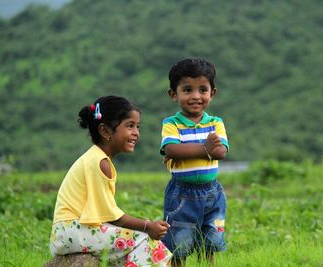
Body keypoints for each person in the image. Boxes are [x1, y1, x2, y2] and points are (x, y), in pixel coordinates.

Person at [50, 95, 172, 267]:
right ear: (105, 131)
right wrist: (146, 225)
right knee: (143, 238)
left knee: (136, 239)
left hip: (71, 231)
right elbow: (111, 216)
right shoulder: (99, 162)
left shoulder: (96, 158)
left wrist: (145, 225)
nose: (136, 132)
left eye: (137, 126)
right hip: (72, 230)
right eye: (129, 126)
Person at [160, 58, 229, 266]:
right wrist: (205, 149)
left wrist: (191, 151)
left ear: (212, 93)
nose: (196, 96)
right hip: (182, 193)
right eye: (187, 90)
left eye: (202, 90)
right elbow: (171, 149)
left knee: (211, 234)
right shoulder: (171, 124)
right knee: (179, 238)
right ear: (174, 94)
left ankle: (208, 263)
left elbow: (221, 151)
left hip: (212, 192)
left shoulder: (216, 122)